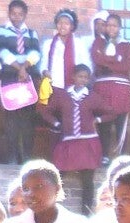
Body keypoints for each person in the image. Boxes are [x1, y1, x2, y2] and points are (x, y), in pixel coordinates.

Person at [41, 64, 101, 212]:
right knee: (58, 176)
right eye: (80, 76)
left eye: (86, 77)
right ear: (73, 77)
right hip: (68, 141)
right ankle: (49, 209)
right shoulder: (62, 95)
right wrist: (57, 123)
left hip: (88, 141)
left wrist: (98, 120)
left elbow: (110, 111)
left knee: (87, 179)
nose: (83, 80)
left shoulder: (92, 96)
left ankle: (86, 213)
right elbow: (45, 111)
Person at [0, 0, 41, 165]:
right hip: (10, 76)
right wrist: (19, 68)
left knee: (27, 118)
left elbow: (36, 53)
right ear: (9, 14)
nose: (17, 17)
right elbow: (2, 51)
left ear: (25, 15)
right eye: (13, 13)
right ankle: (12, 157)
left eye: (20, 14)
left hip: (28, 77)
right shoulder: (1, 31)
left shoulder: (32, 33)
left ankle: (26, 156)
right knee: (12, 118)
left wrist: (25, 68)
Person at [89, 14, 130, 162]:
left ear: (119, 27)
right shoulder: (98, 42)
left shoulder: (126, 45)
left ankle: (122, 156)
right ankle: (105, 156)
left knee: (120, 121)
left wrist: (108, 64)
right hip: (102, 88)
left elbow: (127, 66)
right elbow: (96, 59)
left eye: (114, 25)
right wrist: (116, 61)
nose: (110, 28)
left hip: (121, 89)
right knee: (104, 121)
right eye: (108, 25)